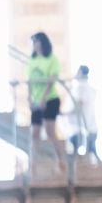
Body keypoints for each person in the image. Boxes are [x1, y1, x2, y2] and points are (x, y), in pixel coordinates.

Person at [26, 31, 65, 170]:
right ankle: (32, 163)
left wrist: (44, 97)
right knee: (34, 132)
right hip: (36, 101)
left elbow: (52, 79)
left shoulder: (52, 59)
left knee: (50, 131)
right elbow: (29, 81)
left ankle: (60, 159)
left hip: (50, 99)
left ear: (41, 42)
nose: (34, 45)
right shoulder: (32, 60)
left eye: (35, 42)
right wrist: (29, 98)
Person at [66, 65, 100, 162]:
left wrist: (65, 113)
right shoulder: (87, 88)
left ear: (80, 72)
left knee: (86, 151)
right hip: (88, 126)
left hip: (84, 127)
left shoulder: (81, 88)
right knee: (91, 151)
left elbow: (79, 104)